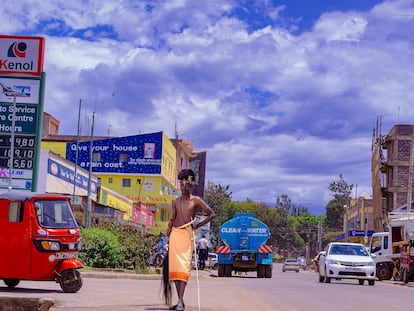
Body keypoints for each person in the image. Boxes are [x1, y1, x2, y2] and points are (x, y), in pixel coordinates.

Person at [163, 169, 216, 311]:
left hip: (187, 236)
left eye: (186, 185)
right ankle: (180, 301)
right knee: (174, 269)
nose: (183, 188)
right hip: (175, 235)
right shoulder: (175, 201)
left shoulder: (196, 200)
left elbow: (212, 214)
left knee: (184, 267)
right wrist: (167, 235)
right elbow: (172, 219)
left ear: (190, 185)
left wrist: (197, 225)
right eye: (181, 185)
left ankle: (180, 301)